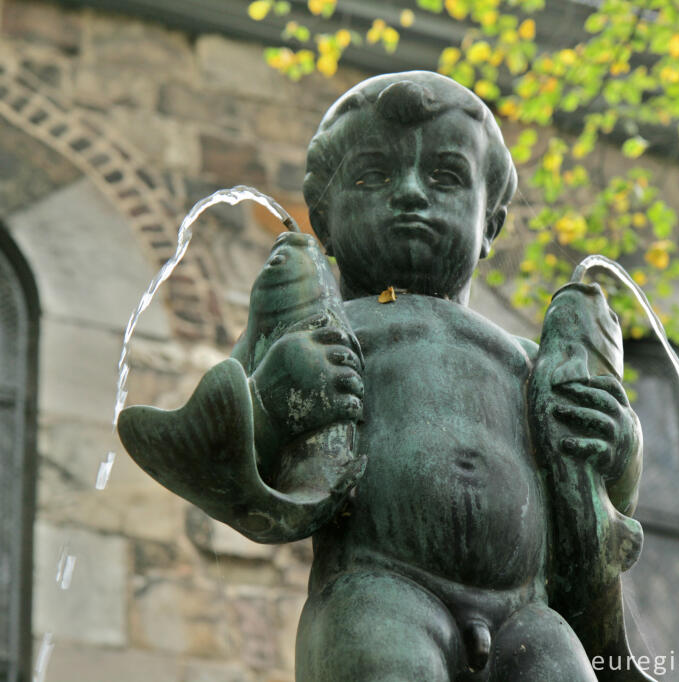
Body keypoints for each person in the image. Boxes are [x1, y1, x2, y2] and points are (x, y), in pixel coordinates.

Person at [120, 71, 649, 681]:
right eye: (373, 176)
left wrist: (619, 445)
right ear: (324, 218)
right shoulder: (326, 329)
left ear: (492, 224)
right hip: (379, 588)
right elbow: (222, 448)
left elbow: (605, 504)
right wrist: (278, 393)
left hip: (526, 611)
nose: (411, 195)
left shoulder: (526, 360)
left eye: (446, 177)